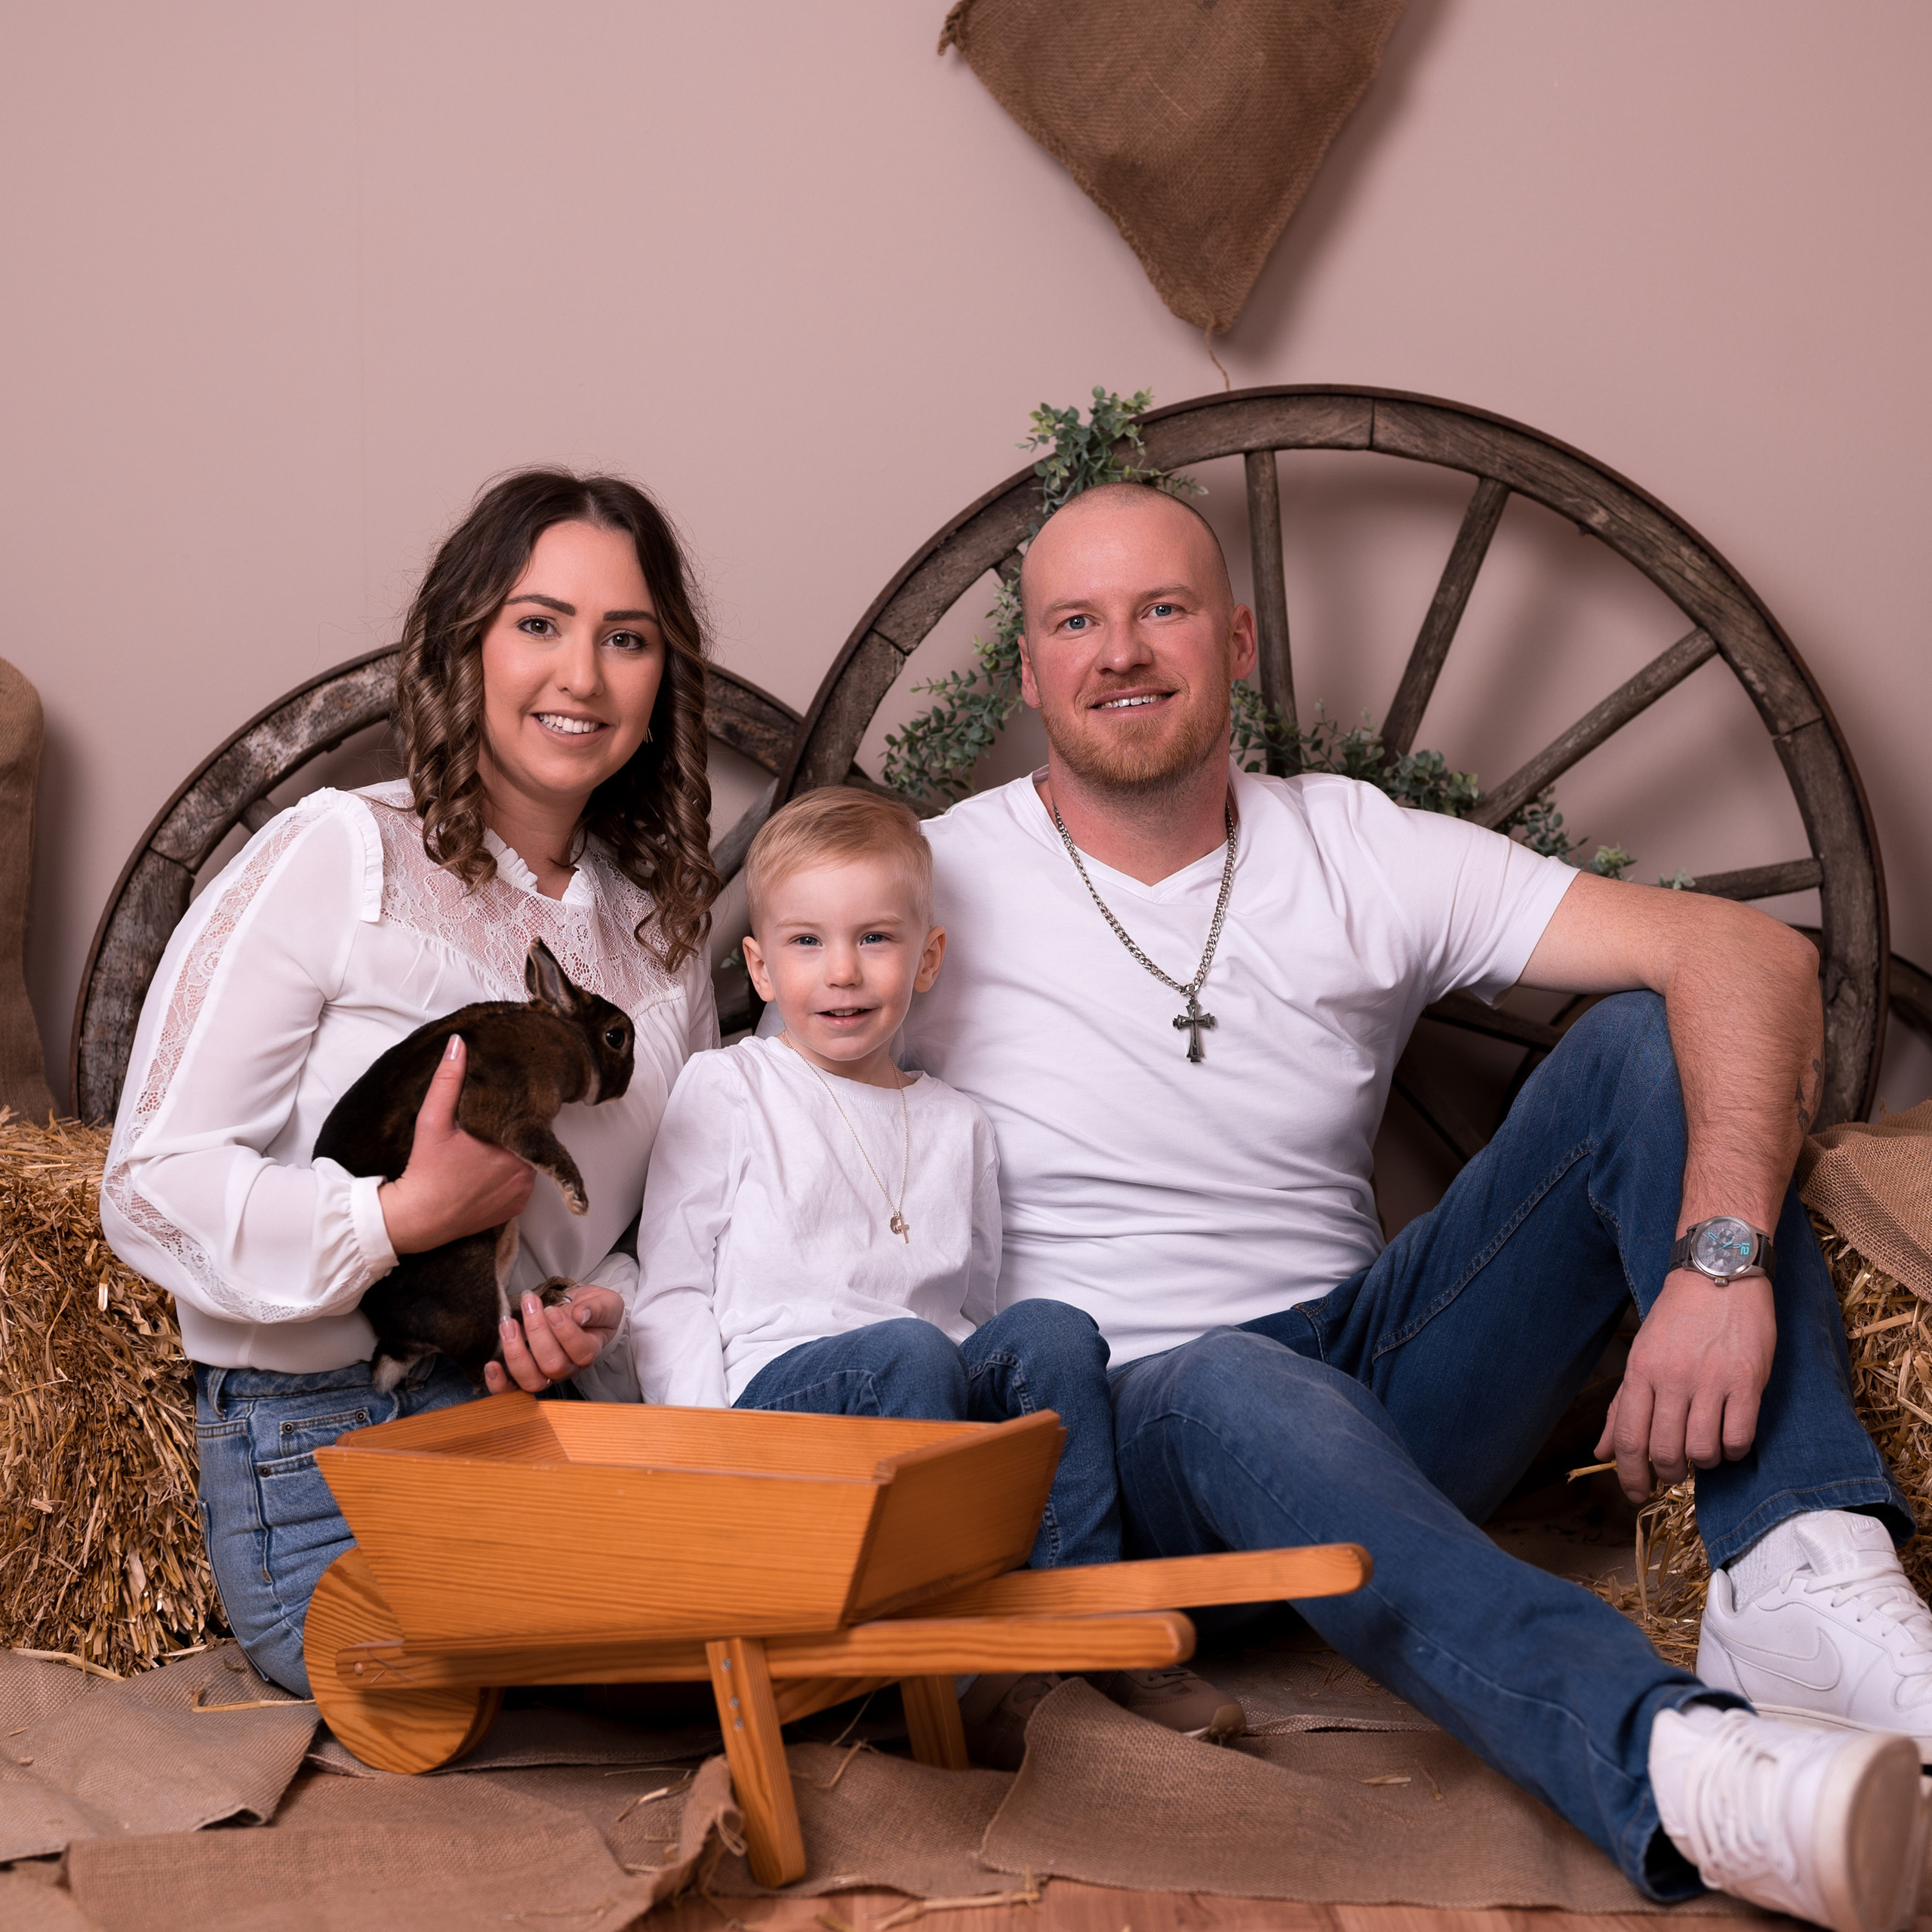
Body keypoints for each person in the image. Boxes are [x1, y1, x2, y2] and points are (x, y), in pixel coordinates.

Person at [897, 479, 1930, 1932]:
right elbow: (763, 1133)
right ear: (1030, 673)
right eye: (1077, 621)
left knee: (1643, 1037)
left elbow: (1745, 961)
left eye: (1163, 610)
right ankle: (1678, 1764)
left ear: (1237, 640)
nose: (1120, 650)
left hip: (1379, 1388)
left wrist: (1717, 1266)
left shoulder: (1352, 846)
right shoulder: (933, 882)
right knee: (1227, 1380)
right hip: (1120, 1445)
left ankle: (1807, 1571)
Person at [101, 469, 721, 1695]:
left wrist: (597, 1318)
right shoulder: (340, 857)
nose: (583, 678)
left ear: (664, 679)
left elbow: (664, 1242)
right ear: (467, 645)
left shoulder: (663, 948)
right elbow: (149, 1189)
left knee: (772, 1640)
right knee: (649, 1665)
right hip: (325, 1439)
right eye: (539, 625)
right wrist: (397, 1218)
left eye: (627, 639)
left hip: (541, 1427)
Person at [630, 786, 1242, 1754]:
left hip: (929, 1398)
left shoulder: (959, 1123)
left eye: (874, 939)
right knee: (909, 1352)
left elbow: (977, 1302)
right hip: (777, 1414)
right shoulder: (732, 1086)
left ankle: (1086, 1624)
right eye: (804, 943)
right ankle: (960, 1674)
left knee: (1051, 1329)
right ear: (757, 963)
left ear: (926, 958)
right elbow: (668, 1285)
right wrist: (697, 1454)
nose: (841, 972)